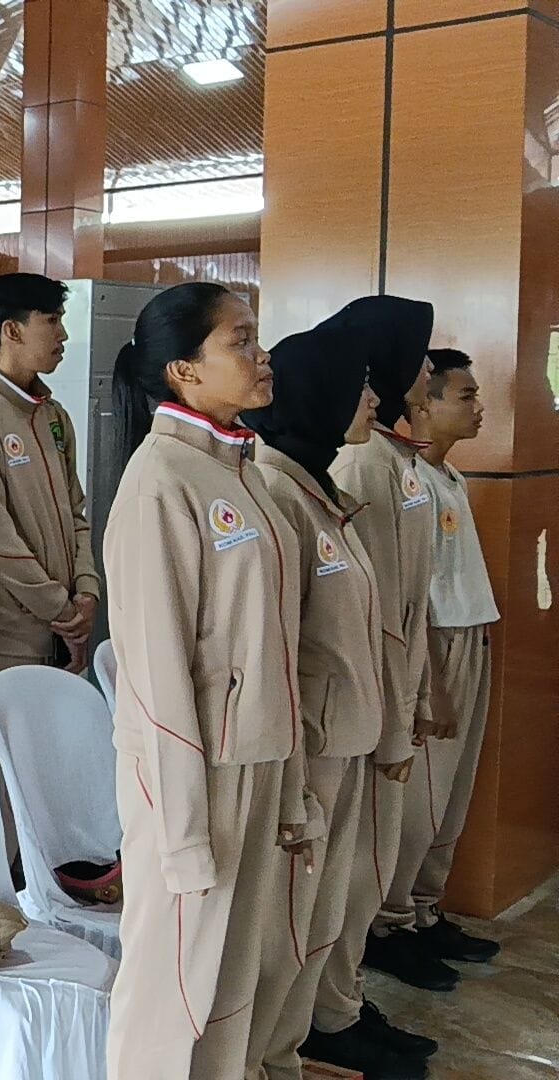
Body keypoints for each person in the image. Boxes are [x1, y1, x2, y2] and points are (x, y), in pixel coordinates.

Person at [103, 282, 307, 1080]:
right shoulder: (161, 482)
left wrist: (290, 789)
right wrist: (183, 832)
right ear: (184, 371)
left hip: (253, 759)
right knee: (170, 991)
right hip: (192, 777)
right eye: (240, 341)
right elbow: (156, 678)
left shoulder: (240, 470)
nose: (262, 356)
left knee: (230, 984)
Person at [244, 308, 428, 1080]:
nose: (375, 402)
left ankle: (308, 1034)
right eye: (357, 389)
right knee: (291, 920)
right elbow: (276, 651)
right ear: (316, 395)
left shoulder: (315, 487)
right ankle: (283, 1046)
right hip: (310, 748)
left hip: (344, 735)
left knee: (325, 910)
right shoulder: (278, 494)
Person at [325, 299, 459, 997]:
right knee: (356, 860)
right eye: (420, 356)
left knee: (377, 850)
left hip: (397, 685)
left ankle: (348, 993)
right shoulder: (361, 462)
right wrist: (394, 712)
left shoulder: (393, 457)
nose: (427, 370)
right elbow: (369, 608)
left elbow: (410, 594)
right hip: (371, 696)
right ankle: (339, 1001)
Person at [0, 273, 98, 857]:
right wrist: (61, 608)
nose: (62, 335)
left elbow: (77, 511)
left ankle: (43, 881)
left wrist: (87, 590)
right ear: (11, 331)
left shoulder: (52, 415)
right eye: (51, 321)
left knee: (47, 770)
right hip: (4, 634)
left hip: (60, 628)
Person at [386, 348, 502, 967]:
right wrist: (431, 681)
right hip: (439, 647)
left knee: (450, 798)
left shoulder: (449, 476)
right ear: (423, 406)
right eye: (466, 396)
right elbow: (412, 598)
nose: (479, 407)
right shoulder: (410, 481)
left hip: (470, 637)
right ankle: (391, 922)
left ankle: (427, 909)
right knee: (421, 799)